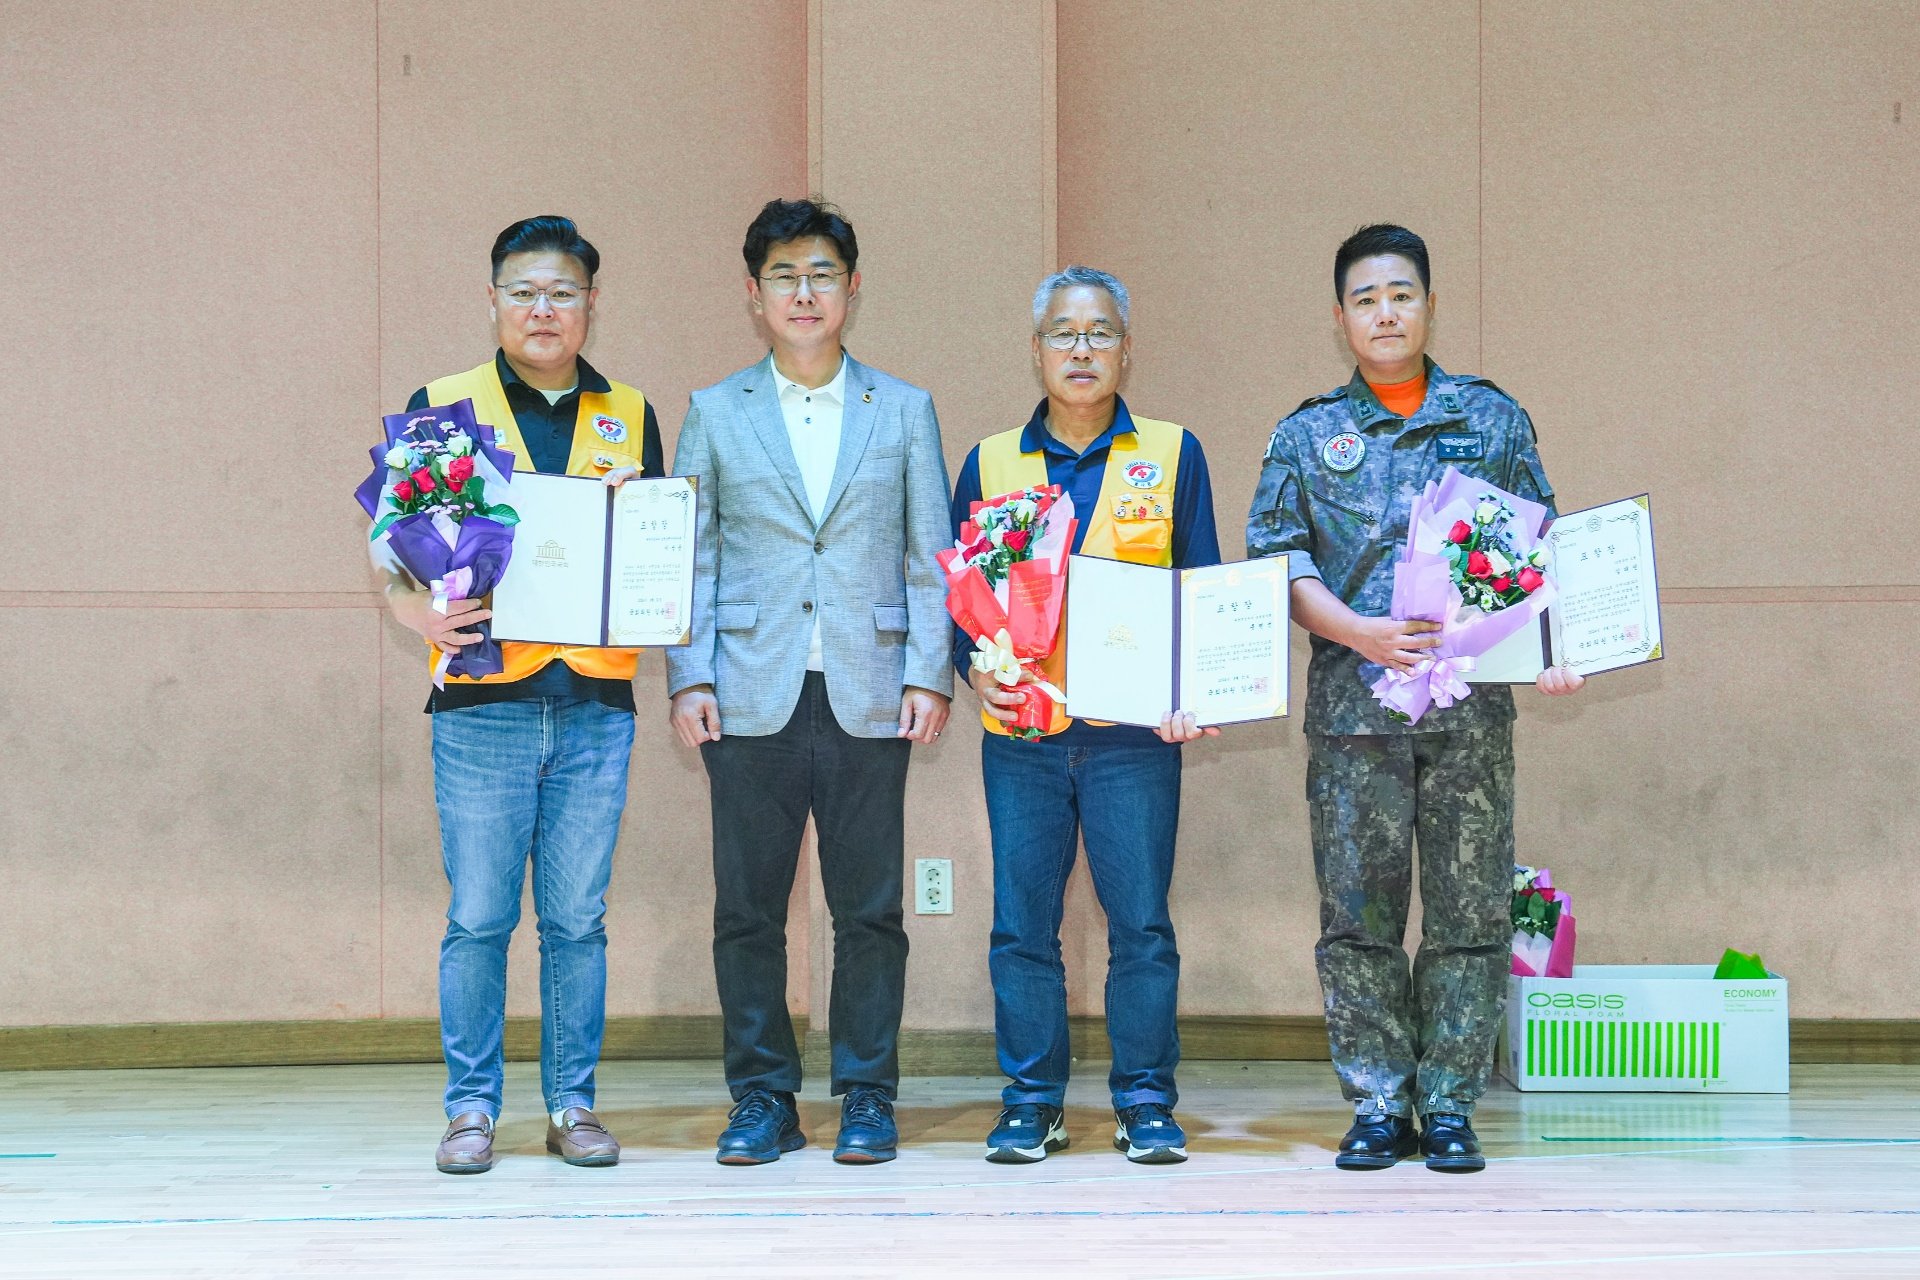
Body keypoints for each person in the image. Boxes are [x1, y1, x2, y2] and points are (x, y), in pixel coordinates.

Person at [1246, 223, 1583, 1174]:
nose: (1385, 313)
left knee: (1471, 916)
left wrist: (1555, 651)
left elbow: (1542, 550)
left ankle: (1447, 1104)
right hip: (1355, 718)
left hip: (1470, 718)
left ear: (1430, 306)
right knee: (1358, 918)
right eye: (1366, 299)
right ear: (1341, 318)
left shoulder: (1493, 420)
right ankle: (1377, 1101)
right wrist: (1360, 632)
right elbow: (1279, 563)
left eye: (1401, 295)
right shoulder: (1305, 435)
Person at [665, 198, 952, 1166]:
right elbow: (691, 555)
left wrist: (929, 672)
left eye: (821, 273)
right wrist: (688, 676)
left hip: (871, 688)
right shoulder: (716, 411)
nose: (803, 292)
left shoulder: (904, 409)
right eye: (783, 276)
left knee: (869, 909)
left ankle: (868, 1093)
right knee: (747, 910)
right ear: (754, 295)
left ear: (852, 288)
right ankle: (762, 1097)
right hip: (749, 689)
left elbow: (930, 555)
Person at [375, 215, 662, 1175]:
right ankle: (470, 1109)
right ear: (493, 299)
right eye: (525, 292)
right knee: (480, 917)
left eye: (563, 293)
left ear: (591, 304)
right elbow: (394, 545)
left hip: (594, 701)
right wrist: (414, 613)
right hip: (482, 699)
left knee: (577, 918)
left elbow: (655, 555)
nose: (544, 310)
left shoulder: (630, 411)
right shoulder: (442, 405)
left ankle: (573, 1104)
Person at [951, 266, 1221, 1166]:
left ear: (1126, 349)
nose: (1081, 349)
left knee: (1141, 927)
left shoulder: (1173, 453)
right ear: (1036, 350)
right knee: (1022, 929)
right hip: (1021, 741)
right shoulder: (991, 461)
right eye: (1063, 334)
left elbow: (1200, 591)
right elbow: (962, 603)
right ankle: (1032, 1103)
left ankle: (1145, 1101)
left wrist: (1196, 693)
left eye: (1099, 332)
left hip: (1133, 743)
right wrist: (975, 676)